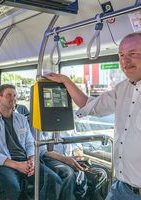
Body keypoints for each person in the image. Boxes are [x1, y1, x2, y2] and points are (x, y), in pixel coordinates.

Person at [44, 32, 141, 199]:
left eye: (133, 54)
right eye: (122, 55)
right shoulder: (121, 89)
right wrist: (66, 81)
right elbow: (90, 105)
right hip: (121, 187)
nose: (125, 61)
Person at [0, 84, 61, 200]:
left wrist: (32, 160)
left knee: (54, 180)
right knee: (13, 189)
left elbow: (30, 143)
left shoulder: (21, 119)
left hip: (25, 160)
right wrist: (17, 165)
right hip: (3, 164)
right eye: (8, 95)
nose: (13, 98)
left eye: (14, 95)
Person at [40, 131, 108, 200]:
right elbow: (43, 151)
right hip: (50, 158)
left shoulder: (69, 123)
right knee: (68, 173)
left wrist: (80, 159)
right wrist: (66, 160)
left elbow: (77, 146)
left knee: (101, 172)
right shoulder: (41, 123)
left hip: (70, 157)